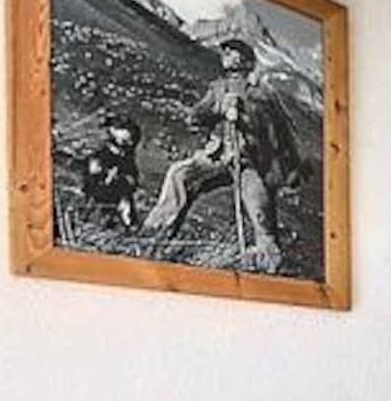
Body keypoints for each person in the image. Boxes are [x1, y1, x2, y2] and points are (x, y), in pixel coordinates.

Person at [143, 38, 302, 272]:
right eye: (225, 51)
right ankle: (155, 238)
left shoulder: (262, 93)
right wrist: (215, 111)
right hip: (219, 155)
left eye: (232, 51)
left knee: (261, 215)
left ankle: (270, 267)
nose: (226, 54)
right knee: (180, 175)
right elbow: (198, 116)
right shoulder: (218, 88)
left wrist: (244, 116)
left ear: (245, 60)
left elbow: (280, 132)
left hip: (252, 162)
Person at [79, 114, 143, 228]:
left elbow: (133, 178)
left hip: (119, 195)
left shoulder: (126, 156)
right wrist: (106, 176)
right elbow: (91, 181)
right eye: (124, 141)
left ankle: (127, 224)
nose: (129, 145)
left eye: (130, 142)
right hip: (100, 197)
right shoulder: (100, 154)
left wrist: (124, 179)